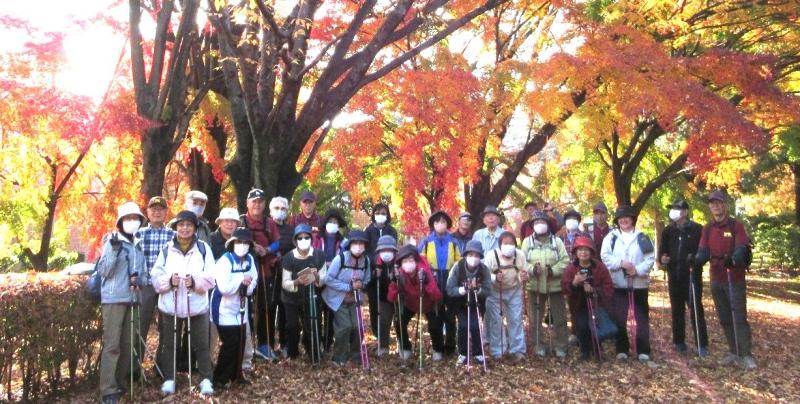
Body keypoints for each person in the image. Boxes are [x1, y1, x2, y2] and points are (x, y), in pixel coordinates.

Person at [152, 210, 216, 396]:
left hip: (196, 305)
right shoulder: (166, 249)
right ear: (176, 227)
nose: (185, 228)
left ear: (195, 228)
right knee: (169, 344)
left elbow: (211, 276)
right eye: (181, 225)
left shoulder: (203, 248)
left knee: (202, 344)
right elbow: (156, 277)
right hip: (170, 306)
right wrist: (168, 281)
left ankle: (205, 379)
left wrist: (195, 283)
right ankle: (169, 378)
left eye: (189, 225)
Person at [695, 190, 756, 369]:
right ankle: (732, 350)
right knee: (724, 316)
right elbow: (703, 250)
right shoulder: (707, 228)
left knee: (738, 315)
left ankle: (745, 354)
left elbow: (742, 246)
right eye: (712, 203)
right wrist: (696, 259)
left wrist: (735, 257)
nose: (715, 206)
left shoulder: (735, 225)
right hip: (716, 276)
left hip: (734, 276)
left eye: (718, 202)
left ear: (725, 205)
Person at [98, 202, 146, 404]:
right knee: (112, 345)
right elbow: (104, 271)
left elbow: (142, 273)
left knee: (128, 345)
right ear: (120, 222)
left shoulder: (138, 243)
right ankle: (108, 390)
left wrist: (138, 280)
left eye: (135, 218)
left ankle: (120, 383)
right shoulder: (111, 242)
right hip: (113, 299)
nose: (132, 222)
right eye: (128, 218)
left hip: (133, 299)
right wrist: (115, 252)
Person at [600, 205, 655, 363]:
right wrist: (621, 263)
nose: (624, 220)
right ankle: (622, 349)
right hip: (619, 284)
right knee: (619, 318)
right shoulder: (611, 237)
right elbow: (605, 256)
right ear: (617, 221)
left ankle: (643, 350)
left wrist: (636, 270)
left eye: (627, 217)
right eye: (621, 218)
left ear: (633, 219)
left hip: (639, 284)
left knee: (641, 318)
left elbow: (650, 258)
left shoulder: (642, 237)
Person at [659, 200, 708, 356]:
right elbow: (662, 252)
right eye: (672, 208)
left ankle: (702, 344)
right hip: (675, 275)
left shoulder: (697, 229)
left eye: (677, 208)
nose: (673, 211)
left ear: (685, 212)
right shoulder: (668, 231)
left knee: (695, 309)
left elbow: (703, 252)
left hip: (692, 275)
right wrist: (663, 259)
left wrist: (696, 259)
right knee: (677, 310)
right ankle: (679, 341)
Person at [210, 228, 258, 389]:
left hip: (241, 308)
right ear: (232, 243)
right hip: (223, 308)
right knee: (231, 342)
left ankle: (236, 374)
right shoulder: (225, 261)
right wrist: (241, 280)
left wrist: (247, 286)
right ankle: (219, 377)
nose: (242, 245)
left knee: (242, 341)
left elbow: (253, 281)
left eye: (245, 243)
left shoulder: (250, 260)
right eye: (239, 242)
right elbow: (224, 287)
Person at [134, 196, 175, 376]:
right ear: (147, 212)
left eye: (161, 209)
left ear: (166, 212)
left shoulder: (174, 236)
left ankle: (163, 370)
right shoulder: (139, 234)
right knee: (139, 327)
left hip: (167, 287)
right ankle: (135, 370)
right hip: (145, 287)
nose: (157, 212)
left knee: (167, 329)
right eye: (153, 209)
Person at [239, 189, 280, 362]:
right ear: (247, 203)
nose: (257, 204)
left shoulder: (269, 223)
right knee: (245, 309)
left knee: (266, 308)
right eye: (254, 201)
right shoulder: (240, 221)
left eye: (260, 202)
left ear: (264, 204)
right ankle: (245, 344)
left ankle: (265, 344)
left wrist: (267, 250)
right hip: (244, 272)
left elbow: (278, 242)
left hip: (265, 270)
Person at [521, 211, 570, 358]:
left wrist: (553, 270)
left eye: (542, 222)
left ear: (548, 225)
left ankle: (561, 345)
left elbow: (565, 261)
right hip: (534, 285)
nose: (539, 225)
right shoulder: (527, 242)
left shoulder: (557, 241)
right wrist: (531, 269)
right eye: (536, 223)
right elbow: (522, 261)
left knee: (559, 316)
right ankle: (538, 345)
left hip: (554, 285)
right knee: (535, 318)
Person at [322, 230, 372, 366]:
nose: (358, 246)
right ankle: (339, 356)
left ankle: (356, 355)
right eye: (355, 243)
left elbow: (367, 279)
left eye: (361, 243)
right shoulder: (341, 258)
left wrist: (361, 284)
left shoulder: (366, 261)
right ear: (350, 244)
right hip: (338, 299)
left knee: (358, 326)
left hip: (355, 299)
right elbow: (328, 279)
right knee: (345, 327)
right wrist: (348, 286)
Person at [387, 245, 443, 361]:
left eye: (411, 260)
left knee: (434, 325)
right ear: (401, 263)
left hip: (428, 303)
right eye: (405, 261)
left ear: (416, 261)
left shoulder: (424, 271)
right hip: (410, 303)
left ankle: (438, 350)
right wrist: (394, 283)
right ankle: (405, 348)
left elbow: (437, 296)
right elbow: (391, 298)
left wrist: (426, 282)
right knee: (399, 321)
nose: (408, 263)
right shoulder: (400, 273)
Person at [418, 210, 461, 359]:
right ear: (432, 224)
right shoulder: (426, 242)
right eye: (436, 222)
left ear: (447, 224)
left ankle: (450, 347)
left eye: (443, 222)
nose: (440, 224)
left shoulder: (454, 242)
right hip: (432, 281)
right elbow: (420, 262)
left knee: (450, 316)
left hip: (449, 280)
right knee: (434, 315)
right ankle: (437, 347)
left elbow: (459, 263)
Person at [561, 236, 613, 360]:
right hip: (579, 303)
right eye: (580, 250)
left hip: (597, 303)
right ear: (575, 252)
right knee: (583, 326)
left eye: (586, 250)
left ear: (591, 252)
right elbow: (565, 287)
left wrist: (595, 290)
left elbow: (608, 285)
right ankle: (585, 351)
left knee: (596, 325)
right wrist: (574, 282)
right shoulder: (571, 268)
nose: (583, 253)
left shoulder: (599, 267)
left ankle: (597, 349)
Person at [281, 224, 326, 362]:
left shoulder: (319, 255)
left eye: (306, 237)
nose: (303, 240)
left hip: (311, 296)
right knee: (292, 326)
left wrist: (317, 277)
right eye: (300, 238)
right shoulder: (289, 257)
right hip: (291, 298)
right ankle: (292, 352)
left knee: (313, 323)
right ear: (295, 240)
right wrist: (296, 282)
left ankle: (313, 351)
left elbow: (324, 279)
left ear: (311, 239)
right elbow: (285, 282)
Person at [484, 231, 529, 361]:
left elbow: (523, 271)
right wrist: (494, 277)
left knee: (515, 319)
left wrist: (523, 277)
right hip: (495, 292)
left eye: (511, 243)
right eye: (505, 243)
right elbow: (485, 274)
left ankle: (518, 350)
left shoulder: (519, 255)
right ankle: (498, 350)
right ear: (500, 245)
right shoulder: (491, 255)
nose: (508, 245)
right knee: (496, 320)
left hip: (514, 290)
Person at [446, 240, 491, 365]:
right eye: (471, 255)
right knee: (464, 326)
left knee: (476, 326)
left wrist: (479, 290)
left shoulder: (484, 269)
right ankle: (463, 353)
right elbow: (449, 288)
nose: (474, 258)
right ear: (465, 255)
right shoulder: (457, 267)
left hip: (478, 303)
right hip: (460, 303)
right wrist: (462, 290)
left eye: (477, 255)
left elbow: (488, 290)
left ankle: (478, 353)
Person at [315, 208, 347, 351]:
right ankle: (316, 341)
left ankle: (327, 342)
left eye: (335, 222)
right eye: (330, 221)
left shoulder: (344, 241)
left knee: (331, 312)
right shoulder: (316, 237)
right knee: (316, 310)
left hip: (335, 279)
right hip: (318, 277)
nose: (332, 224)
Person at [268, 196, 295, 358]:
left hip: (286, 274)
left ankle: (284, 344)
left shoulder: (291, 230)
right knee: (270, 309)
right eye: (276, 208)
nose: (280, 211)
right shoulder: (266, 227)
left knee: (285, 309)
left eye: (283, 208)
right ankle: (269, 344)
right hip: (269, 274)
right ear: (271, 211)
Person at [367, 235, 398, 356]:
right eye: (383, 250)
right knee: (384, 321)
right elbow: (368, 283)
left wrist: (397, 276)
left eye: (389, 250)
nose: (386, 253)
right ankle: (383, 346)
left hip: (398, 297)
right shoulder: (374, 262)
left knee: (399, 321)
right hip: (383, 297)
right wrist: (376, 275)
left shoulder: (399, 262)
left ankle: (403, 346)